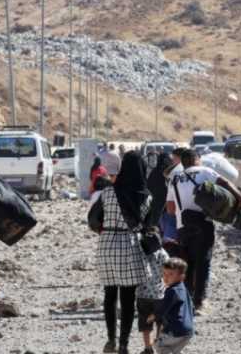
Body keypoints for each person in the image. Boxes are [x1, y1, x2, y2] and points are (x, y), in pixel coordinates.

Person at [166, 149, 241, 313]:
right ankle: (199, 302)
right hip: (204, 225)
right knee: (203, 263)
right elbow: (226, 184)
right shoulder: (205, 171)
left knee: (188, 263)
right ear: (196, 159)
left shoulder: (173, 180)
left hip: (183, 227)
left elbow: (170, 210)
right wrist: (240, 198)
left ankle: (186, 300)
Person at [92, 151, 153, 354]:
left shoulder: (108, 192)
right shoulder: (147, 198)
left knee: (109, 294)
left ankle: (111, 339)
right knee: (128, 299)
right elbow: (148, 225)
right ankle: (124, 345)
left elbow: (95, 218)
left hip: (107, 243)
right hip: (129, 244)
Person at [151, 258, 194, 354]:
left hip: (175, 330)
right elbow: (192, 307)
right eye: (164, 273)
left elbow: (162, 308)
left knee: (159, 345)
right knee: (175, 350)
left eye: (171, 274)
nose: (166, 277)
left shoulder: (172, 291)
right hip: (188, 331)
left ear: (181, 277)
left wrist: (153, 315)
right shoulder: (183, 289)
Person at [137, 245, 169, 354]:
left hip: (142, 293)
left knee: (145, 323)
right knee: (160, 321)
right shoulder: (162, 252)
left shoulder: (138, 250)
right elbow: (168, 269)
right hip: (159, 293)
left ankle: (148, 348)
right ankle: (159, 346)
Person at [147, 153, 173, 227]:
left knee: (156, 224)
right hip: (170, 202)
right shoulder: (171, 172)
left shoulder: (154, 172)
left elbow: (149, 186)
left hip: (156, 202)